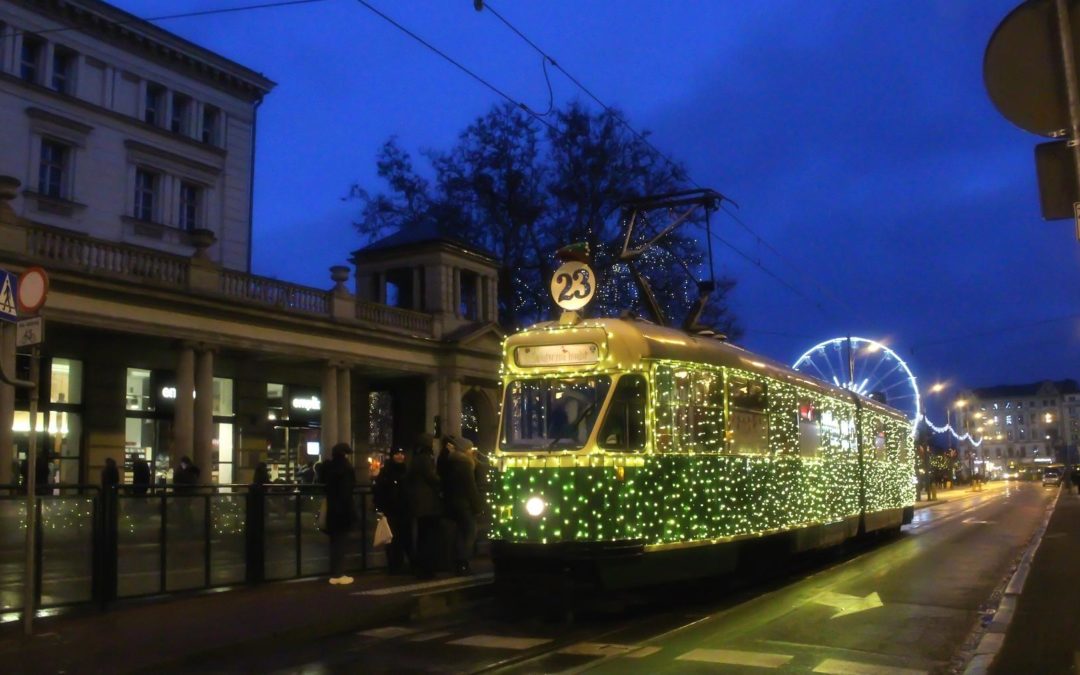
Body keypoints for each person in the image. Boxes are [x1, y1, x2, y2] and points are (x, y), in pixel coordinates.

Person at [440, 435, 482, 575]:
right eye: (470, 448)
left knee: (459, 534)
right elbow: (470, 487)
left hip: (453, 502)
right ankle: (463, 562)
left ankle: (457, 563)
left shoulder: (453, 462)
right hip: (464, 504)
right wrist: (477, 506)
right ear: (465, 450)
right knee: (470, 532)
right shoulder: (465, 465)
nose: (472, 451)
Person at [406, 433, 442, 579]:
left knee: (422, 535)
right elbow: (431, 477)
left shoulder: (416, 458)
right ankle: (426, 569)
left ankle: (422, 567)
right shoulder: (425, 459)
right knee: (428, 536)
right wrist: (441, 480)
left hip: (420, 503)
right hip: (427, 504)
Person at [373, 448, 411, 573]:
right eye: (397, 454)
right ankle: (394, 565)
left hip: (404, 509)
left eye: (402, 453)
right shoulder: (386, 472)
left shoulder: (406, 470)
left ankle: (399, 563)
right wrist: (380, 507)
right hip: (391, 509)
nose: (400, 456)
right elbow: (379, 491)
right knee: (392, 537)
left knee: (403, 536)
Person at [324, 442, 357, 585]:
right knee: (342, 542)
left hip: (332, 510)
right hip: (343, 511)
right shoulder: (346, 468)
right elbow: (347, 491)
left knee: (334, 542)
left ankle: (334, 572)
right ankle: (339, 574)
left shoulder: (329, 467)